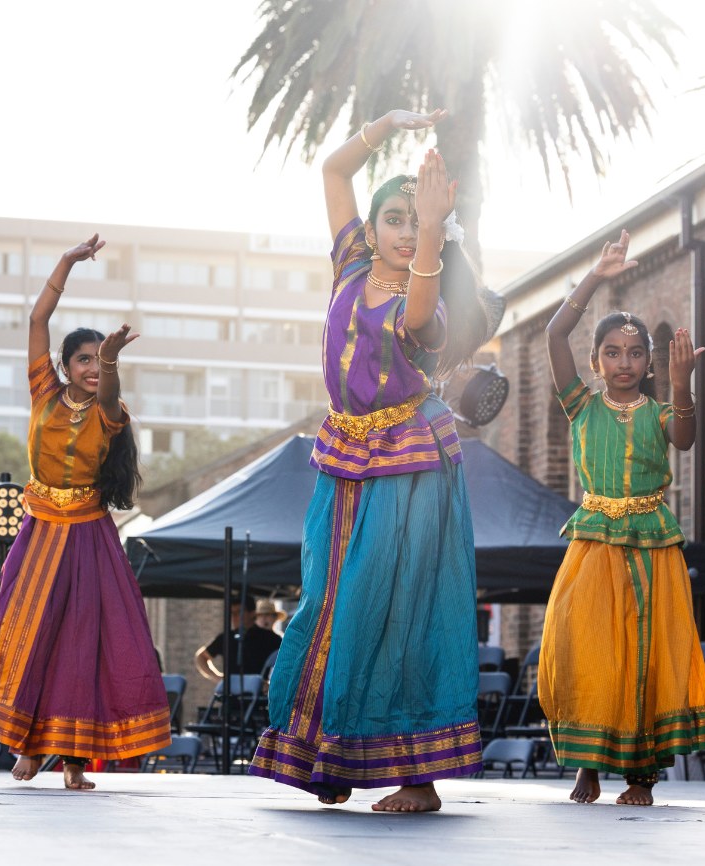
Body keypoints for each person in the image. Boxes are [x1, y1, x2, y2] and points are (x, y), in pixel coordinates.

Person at [249, 109, 501, 813]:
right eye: (388, 217)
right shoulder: (351, 262)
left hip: (411, 462)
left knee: (396, 608)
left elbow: (420, 307)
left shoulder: (428, 301)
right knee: (329, 603)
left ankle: (416, 779)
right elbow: (333, 171)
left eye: (407, 220)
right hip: (346, 452)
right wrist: (384, 125)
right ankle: (328, 756)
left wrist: (430, 225)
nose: (394, 228)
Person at [538, 230, 705, 806]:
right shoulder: (580, 405)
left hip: (651, 542)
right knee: (584, 648)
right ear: (595, 361)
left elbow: (686, 441)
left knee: (646, 649)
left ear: (649, 361)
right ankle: (587, 765)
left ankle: (641, 774)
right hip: (593, 540)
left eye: (635, 353)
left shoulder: (661, 411)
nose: (624, 362)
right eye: (612, 352)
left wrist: (683, 383)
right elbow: (554, 332)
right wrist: (596, 275)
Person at [0, 233, 170, 791]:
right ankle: (26, 746)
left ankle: (71, 761)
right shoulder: (44, 393)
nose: (94, 367)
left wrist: (115, 360)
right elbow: (37, 322)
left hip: (89, 536)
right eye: (86, 360)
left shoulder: (110, 412)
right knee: (27, 634)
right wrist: (65, 263)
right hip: (40, 529)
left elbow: (112, 391)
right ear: (65, 366)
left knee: (83, 645)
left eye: (101, 360)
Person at [193, 596, 281, 683]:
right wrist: (217, 677)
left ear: (252, 614)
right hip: (231, 693)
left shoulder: (271, 638)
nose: (234, 617)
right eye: (232, 613)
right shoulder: (226, 637)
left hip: (258, 693)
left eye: (239, 612)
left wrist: (271, 684)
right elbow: (202, 657)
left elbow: (288, 664)